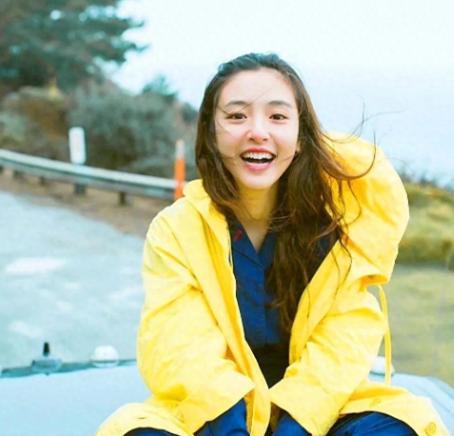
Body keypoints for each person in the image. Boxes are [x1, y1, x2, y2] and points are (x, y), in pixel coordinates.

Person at [97, 53, 448, 436]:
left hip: (320, 414)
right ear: (211, 133)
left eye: (277, 116)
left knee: (399, 426)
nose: (258, 131)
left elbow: (343, 341)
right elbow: (181, 345)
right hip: (211, 417)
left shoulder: (336, 227)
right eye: (237, 116)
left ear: (300, 137)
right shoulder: (177, 229)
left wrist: (293, 428)